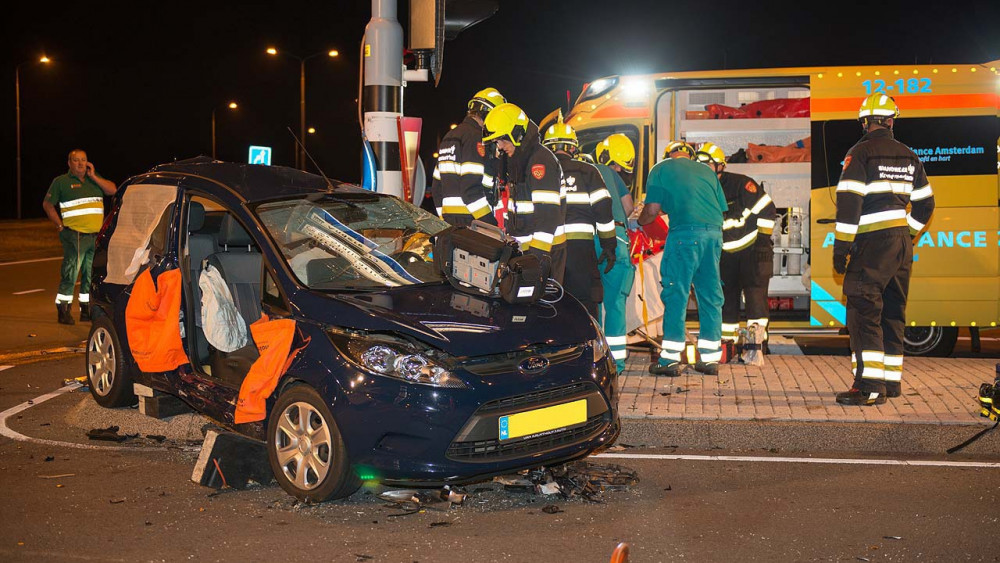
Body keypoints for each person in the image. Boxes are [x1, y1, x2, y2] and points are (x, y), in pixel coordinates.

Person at [833, 93, 935, 406]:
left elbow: (850, 202)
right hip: (900, 245)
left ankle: (869, 387)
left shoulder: (860, 153)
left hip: (872, 246)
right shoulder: (908, 154)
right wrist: (909, 234)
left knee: (864, 312)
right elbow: (926, 203)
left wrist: (841, 249)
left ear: (865, 122)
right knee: (892, 314)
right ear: (891, 121)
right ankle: (890, 384)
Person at [637, 141, 727, 376]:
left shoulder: (661, 168)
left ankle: (669, 360)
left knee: (676, 293)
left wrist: (640, 220)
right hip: (714, 234)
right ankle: (709, 359)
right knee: (710, 295)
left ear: (669, 155)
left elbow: (652, 210)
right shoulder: (706, 171)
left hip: (685, 236)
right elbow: (716, 207)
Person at [696, 142, 776, 356]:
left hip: (752, 252)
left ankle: (756, 347)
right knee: (726, 303)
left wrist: (762, 241)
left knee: (756, 302)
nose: (703, 169)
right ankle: (728, 348)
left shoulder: (741, 184)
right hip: (724, 256)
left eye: (707, 164)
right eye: (699, 164)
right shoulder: (701, 190)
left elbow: (767, 210)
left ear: (720, 166)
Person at [482, 102, 566, 282]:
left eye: (501, 140)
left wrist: (535, 258)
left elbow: (548, 218)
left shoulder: (540, 162)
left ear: (517, 134)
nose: (500, 146)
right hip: (527, 253)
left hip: (544, 253)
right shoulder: (520, 160)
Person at [542, 112, 615, 317]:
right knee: (584, 304)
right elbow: (603, 208)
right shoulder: (588, 171)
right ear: (573, 147)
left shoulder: (539, 172)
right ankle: (587, 346)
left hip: (548, 249)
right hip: (581, 250)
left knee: (551, 303)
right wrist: (609, 245)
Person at [42, 149, 117, 325]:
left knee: (90, 273)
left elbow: (112, 190)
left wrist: (94, 177)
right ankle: (64, 309)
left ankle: (86, 308)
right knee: (71, 272)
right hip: (75, 235)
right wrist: (59, 225)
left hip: (94, 236)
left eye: (84, 160)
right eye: (76, 160)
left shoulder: (94, 180)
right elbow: (47, 204)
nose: (81, 163)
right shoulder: (61, 182)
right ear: (69, 163)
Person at [593, 133, 638, 372]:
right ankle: (616, 362)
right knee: (615, 303)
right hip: (615, 240)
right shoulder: (612, 175)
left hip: (587, 241)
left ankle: (595, 358)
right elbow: (629, 208)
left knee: (593, 302)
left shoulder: (584, 170)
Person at [431, 87, 506, 227]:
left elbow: (436, 187)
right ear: (488, 114)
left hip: (451, 225)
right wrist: (490, 224)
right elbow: (471, 189)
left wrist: (445, 217)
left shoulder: (450, 136)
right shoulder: (475, 138)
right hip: (473, 222)